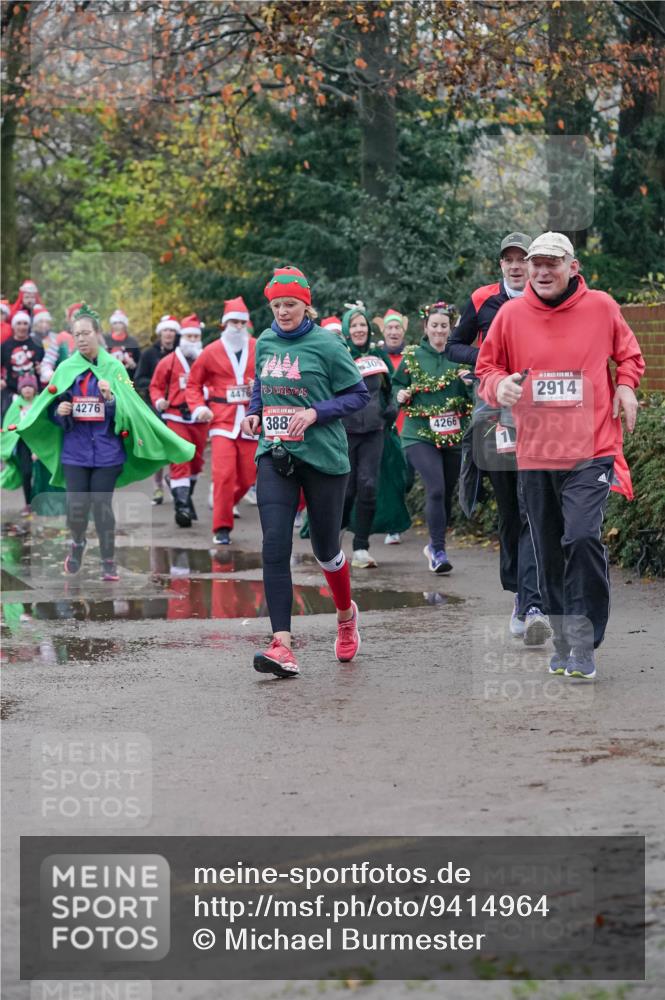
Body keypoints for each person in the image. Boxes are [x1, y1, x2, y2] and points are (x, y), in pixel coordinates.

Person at [476, 232, 645, 680]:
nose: (543, 272)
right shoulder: (511, 315)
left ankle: (585, 642)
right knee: (549, 549)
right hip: (536, 452)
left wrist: (625, 387)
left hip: (592, 448)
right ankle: (563, 635)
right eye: (536, 264)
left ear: (573, 266)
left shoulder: (602, 307)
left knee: (583, 538)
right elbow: (486, 368)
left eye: (553, 263)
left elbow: (629, 356)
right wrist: (501, 386)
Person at [241, 265, 369, 678]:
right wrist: (255, 412)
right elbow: (260, 383)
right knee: (274, 544)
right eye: (276, 304)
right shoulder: (264, 342)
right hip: (275, 454)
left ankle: (346, 616)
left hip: (323, 457)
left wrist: (316, 412)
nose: (282, 311)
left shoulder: (327, 345)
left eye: (290, 304)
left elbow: (358, 395)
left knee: (326, 550)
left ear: (306, 305)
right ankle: (282, 644)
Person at [17, 304, 195, 581]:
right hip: (74, 452)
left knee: (101, 507)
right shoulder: (67, 368)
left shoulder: (113, 367)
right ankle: (77, 544)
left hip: (107, 452)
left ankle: (108, 560)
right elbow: (52, 407)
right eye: (77, 335)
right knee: (77, 507)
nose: (81, 339)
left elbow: (128, 411)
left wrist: (110, 399)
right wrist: (60, 412)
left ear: (98, 334)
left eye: (86, 333)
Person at [447, 232, 550, 644]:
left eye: (522, 258)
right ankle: (519, 593)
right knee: (510, 512)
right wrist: (489, 358)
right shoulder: (482, 300)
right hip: (494, 417)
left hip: (540, 418)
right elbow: (454, 346)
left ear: (533, 263)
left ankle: (534, 602)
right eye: (508, 259)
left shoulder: (547, 299)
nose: (515, 265)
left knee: (532, 509)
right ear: (500, 265)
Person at [393, 302, 474, 573]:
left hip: (452, 433)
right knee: (436, 488)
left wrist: (469, 384)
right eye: (434, 325)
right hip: (418, 433)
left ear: (451, 328)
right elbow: (396, 385)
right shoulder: (413, 355)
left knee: (446, 491)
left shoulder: (460, 356)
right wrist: (400, 395)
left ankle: (435, 544)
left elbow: (472, 399)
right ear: (425, 327)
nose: (439, 330)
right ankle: (438, 550)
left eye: (444, 326)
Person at [186, 298, 257, 546]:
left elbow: (269, 376)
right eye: (233, 322)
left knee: (249, 476)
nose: (238, 326)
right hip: (222, 421)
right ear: (224, 324)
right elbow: (193, 384)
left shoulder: (258, 347)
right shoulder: (211, 351)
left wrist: (258, 386)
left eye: (241, 322)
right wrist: (199, 408)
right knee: (224, 474)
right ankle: (222, 527)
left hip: (250, 421)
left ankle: (225, 503)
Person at [339, 303, 397, 568]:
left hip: (374, 431)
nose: (359, 329)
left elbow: (390, 387)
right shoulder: (339, 354)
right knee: (347, 489)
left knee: (369, 486)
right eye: (354, 325)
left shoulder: (378, 355)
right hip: (345, 432)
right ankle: (335, 533)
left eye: (363, 325)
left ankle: (361, 546)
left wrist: (392, 407)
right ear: (347, 330)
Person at [150, 315, 207, 527]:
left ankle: (181, 492)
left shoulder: (206, 359)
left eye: (195, 336)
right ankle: (182, 509)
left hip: (200, 418)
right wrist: (159, 401)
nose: (192, 340)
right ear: (182, 337)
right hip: (175, 417)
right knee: (181, 459)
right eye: (188, 336)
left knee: (196, 462)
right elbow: (155, 386)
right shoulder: (169, 362)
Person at [135, 315, 180, 506]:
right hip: (155, 407)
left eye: (172, 330)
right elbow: (139, 379)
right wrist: (157, 382)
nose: (168, 334)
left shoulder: (181, 352)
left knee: (176, 446)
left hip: (178, 407)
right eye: (165, 330)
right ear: (160, 332)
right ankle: (157, 486)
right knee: (159, 447)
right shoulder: (149, 354)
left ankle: (177, 483)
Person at [378, 307, 410, 543]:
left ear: (403, 330)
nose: (393, 331)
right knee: (391, 476)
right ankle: (393, 527)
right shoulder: (377, 356)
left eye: (397, 327)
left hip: (409, 425)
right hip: (387, 426)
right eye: (389, 327)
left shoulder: (412, 356)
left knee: (407, 477)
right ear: (384, 331)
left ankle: (397, 517)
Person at [0, 373, 40, 513]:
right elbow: (9, 424)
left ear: (35, 388)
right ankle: (28, 503)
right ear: (20, 389)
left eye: (30, 386)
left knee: (43, 474)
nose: (27, 389)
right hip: (23, 443)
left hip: (41, 442)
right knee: (27, 472)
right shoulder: (16, 405)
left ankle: (42, 501)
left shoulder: (40, 401)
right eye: (24, 386)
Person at [1, 310, 44, 395]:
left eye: (25, 323)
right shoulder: (5, 346)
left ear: (29, 326)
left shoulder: (37, 343)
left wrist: (42, 369)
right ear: (13, 326)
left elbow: (46, 363)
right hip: (11, 391)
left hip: (34, 391)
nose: (22, 327)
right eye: (19, 323)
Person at [31, 306, 70, 384]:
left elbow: (62, 357)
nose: (44, 325)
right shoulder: (30, 338)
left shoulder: (55, 338)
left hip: (52, 374)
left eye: (47, 322)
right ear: (35, 324)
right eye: (41, 322)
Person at [104, 310, 141, 380]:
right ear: (111, 325)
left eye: (120, 323)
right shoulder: (105, 341)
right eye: (115, 323)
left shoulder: (132, 342)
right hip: (109, 379)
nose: (117, 326)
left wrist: (134, 365)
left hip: (128, 379)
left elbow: (140, 365)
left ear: (125, 325)